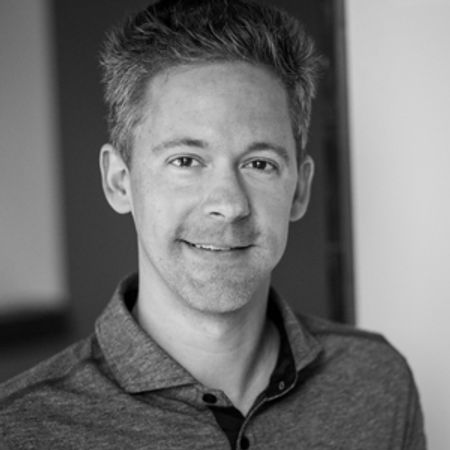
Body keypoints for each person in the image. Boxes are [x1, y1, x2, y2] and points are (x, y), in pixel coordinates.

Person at [0, 0, 426, 448]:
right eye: (186, 160)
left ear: (299, 189)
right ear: (119, 181)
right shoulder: (21, 429)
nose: (229, 204)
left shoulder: (378, 382)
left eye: (259, 164)